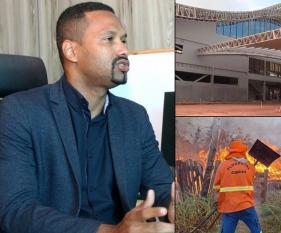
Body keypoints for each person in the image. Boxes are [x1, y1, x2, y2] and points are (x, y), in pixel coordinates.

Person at [0, 2, 174, 233]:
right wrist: (111, 231)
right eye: (109, 39)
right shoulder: (20, 112)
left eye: (124, 40)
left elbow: (161, 184)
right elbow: (15, 211)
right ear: (71, 51)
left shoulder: (134, 116)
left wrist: (173, 205)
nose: (123, 50)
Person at [213, 140, 261, 233]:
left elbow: (216, 187)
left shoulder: (223, 166)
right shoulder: (251, 167)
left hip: (229, 207)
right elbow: (249, 181)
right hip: (247, 206)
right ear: (243, 152)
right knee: (257, 230)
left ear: (231, 151)